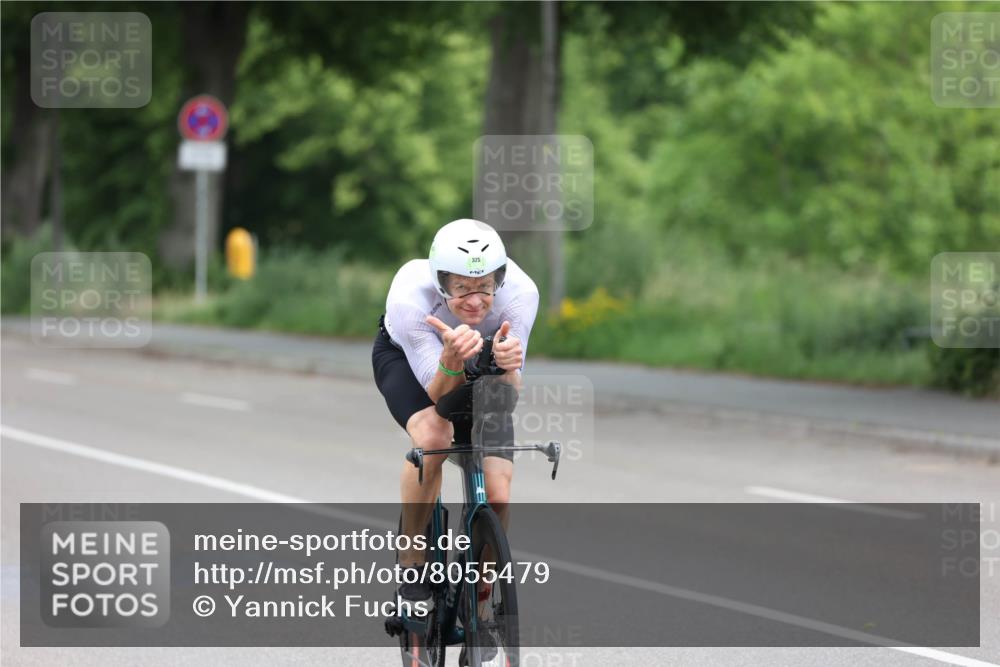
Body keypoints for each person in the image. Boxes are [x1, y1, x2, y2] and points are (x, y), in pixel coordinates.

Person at [372, 218, 539, 606]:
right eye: (461, 287)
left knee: (497, 493)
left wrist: (509, 367)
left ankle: (481, 597)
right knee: (434, 437)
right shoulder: (409, 300)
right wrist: (450, 359)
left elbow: (508, 395)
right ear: (439, 282)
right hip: (412, 359)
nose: (475, 300)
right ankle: (413, 563)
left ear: (500, 278)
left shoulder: (521, 293)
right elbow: (439, 394)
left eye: (484, 287)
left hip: (481, 358)